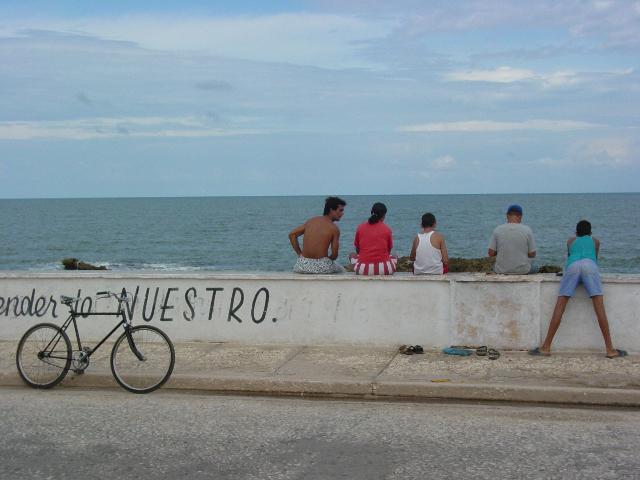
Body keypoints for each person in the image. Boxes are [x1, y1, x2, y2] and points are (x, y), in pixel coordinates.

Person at [529, 220, 627, 359]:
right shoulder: (596, 241)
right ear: (590, 232)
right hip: (590, 266)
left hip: (573, 266)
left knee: (560, 305)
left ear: (576, 232)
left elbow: (570, 257)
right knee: (599, 308)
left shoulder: (570, 241)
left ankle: (546, 347)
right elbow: (594, 259)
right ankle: (610, 350)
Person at [288, 196, 346, 274]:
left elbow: (292, 235)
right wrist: (327, 260)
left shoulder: (311, 221)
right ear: (332, 210)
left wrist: (300, 254)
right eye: (340, 210)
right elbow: (334, 255)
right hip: (322, 267)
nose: (342, 213)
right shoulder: (334, 228)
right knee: (343, 270)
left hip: (301, 266)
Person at [349, 202, 396, 275]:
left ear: (371, 212)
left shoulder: (360, 227)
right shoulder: (387, 229)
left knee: (352, 254)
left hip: (363, 269)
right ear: (384, 215)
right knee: (394, 255)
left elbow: (358, 250)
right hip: (385, 269)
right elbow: (388, 251)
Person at [488, 204, 536, 274]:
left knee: (492, 267)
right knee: (536, 267)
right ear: (520, 216)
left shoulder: (497, 229)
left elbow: (491, 253)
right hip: (522, 270)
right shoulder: (527, 230)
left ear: (507, 215)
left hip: (501, 270)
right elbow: (532, 254)